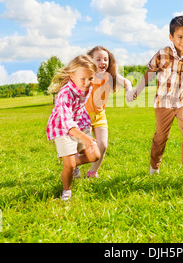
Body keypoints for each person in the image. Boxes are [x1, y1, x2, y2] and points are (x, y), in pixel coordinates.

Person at [127, 16, 183, 184]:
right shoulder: (162, 54)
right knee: (161, 137)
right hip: (163, 103)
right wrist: (137, 91)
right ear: (171, 37)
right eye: (180, 37)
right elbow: (150, 73)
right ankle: (154, 166)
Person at [46, 55, 101, 201]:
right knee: (69, 167)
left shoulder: (86, 86)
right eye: (83, 79)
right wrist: (85, 137)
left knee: (94, 155)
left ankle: (71, 161)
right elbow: (66, 123)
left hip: (80, 122)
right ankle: (66, 192)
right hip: (63, 127)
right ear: (72, 76)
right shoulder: (65, 94)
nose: (87, 83)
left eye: (90, 78)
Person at [75, 46, 133, 179]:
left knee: (102, 145)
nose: (103, 62)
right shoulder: (85, 75)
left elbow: (126, 81)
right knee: (81, 147)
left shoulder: (109, 76)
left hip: (100, 116)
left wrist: (129, 90)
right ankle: (74, 164)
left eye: (106, 59)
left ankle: (92, 173)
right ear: (90, 60)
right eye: (99, 59)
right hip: (83, 116)